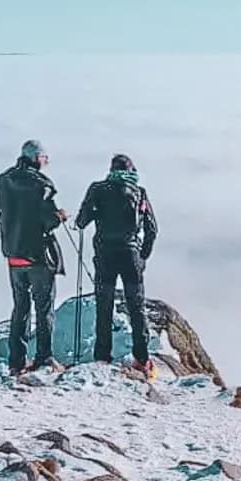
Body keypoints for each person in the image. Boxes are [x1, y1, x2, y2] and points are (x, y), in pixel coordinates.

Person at [75, 152, 159, 373]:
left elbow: (81, 221)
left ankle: (103, 357)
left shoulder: (98, 189)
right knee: (136, 307)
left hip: (105, 254)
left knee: (104, 305)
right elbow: (152, 229)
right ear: (131, 170)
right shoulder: (140, 193)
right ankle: (142, 359)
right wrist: (142, 257)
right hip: (131, 255)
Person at [0, 139, 67, 374]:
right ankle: (44, 358)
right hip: (38, 256)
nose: (46, 162)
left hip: (13, 256)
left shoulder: (2, 181)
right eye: (44, 158)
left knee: (20, 308)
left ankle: (17, 362)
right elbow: (47, 221)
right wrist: (60, 216)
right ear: (37, 158)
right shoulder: (40, 185)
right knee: (44, 309)